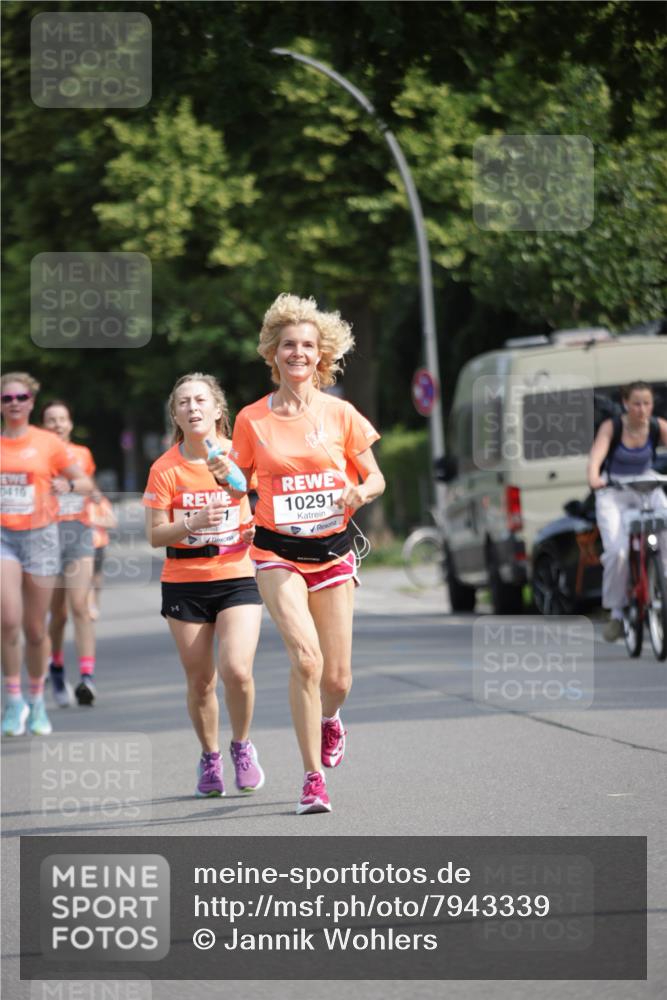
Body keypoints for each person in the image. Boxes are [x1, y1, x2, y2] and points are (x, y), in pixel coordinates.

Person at [232, 293, 385, 815]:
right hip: (277, 551)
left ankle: (330, 718)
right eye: (288, 345)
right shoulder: (251, 420)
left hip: (334, 550)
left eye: (308, 346)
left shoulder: (341, 413)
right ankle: (312, 779)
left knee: (337, 678)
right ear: (272, 354)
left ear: (322, 356)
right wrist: (222, 486)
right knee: (306, 659)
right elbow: (238, 480)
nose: (298, 353)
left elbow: (375, 476)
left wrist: (360, 493)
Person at [143, 373, 265, 797]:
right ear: (175, 415)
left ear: (217, 409)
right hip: (184, 581)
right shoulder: (165, 468)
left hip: (236, 574)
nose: (192, 408)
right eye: (183, 402)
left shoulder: (241, 457)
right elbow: (155, 535)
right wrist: (191, 523)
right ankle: (210, 756)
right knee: (201, 682)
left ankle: (242, 746)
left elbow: (264, 508)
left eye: (200, 400)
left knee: (237, 670)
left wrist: (257, 533)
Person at [1, 373, 92, 737]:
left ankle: (37, 700)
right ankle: (13, 699)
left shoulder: (48, 443)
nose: (14, 403)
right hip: (4, 536)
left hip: (40, 536)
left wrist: (67, 484)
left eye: (21, 397)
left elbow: (84, 482)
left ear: (30, 402)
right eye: (7, 398)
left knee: (36, 630)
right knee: (8, 620)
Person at [588, 381, 667, 642]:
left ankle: (662, 585)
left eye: (647, 403)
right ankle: (617, 613)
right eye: (636, 403)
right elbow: (596, 458)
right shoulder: (613, 427)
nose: (642, 409)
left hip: (647, 486)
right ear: (625, 403)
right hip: (615, 491)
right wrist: (594, 478)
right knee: (618, 552)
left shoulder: (658, 426)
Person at [41, 400, 98, 707]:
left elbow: (89, 487)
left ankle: (87, 678)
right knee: (58, 614)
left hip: (78, 533)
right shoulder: (37, 456)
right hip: (46, 537)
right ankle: (57, 667)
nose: (58, 424)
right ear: (43, 426)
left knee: (80, 606)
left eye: (63, 419)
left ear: (71, 424)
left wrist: (71, 484)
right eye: (51, 420)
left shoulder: (82, 454)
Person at [86, 491, 118, 621]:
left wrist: (93, 520)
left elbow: (112, 522)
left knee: (96, 578)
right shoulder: (79, 503)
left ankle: (95, 602)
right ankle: (90, 606)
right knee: (86, 577)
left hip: (98, 544)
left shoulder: (101, 501)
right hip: (82, 546)